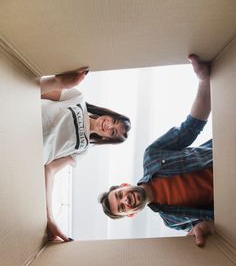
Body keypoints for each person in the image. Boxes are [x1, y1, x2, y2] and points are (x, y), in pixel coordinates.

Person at [99, 55, 214, 247]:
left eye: (120, 195)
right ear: (131, 214)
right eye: (122, 207)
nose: (125, 200)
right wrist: (204, 227)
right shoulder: (172, 221)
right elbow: (214, 225)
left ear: (125, 185)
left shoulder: (153, 155)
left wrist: (204, 81)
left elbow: (192, 126)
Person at [40, 67, 131, 242]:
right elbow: (35, 91)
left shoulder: (82, 150)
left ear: (106, 138)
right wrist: (58, 82)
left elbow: (49, 170)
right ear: (109, 114)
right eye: (113, 121)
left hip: (26, 154)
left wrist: (49, 216)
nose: (108, 126)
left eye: (112, 132)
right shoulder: (77, 98)